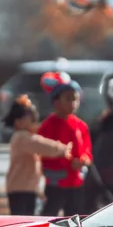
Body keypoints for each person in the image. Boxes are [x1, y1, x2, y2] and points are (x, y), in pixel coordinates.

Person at [3, 95, 72, 216]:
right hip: (21, 189)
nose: (34, 121)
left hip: (26, 188)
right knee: (23, 223)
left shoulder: (23, 137)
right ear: (18, 122)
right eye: (30, 118)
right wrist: (62, 149)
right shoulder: (22, 137)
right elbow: (42, 145)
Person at [38, 71, 92, 217]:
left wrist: (83, 160)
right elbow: (43, 153)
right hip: (57, 182)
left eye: (75, 99)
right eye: (68, 99)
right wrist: (65, 163)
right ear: (55, 101)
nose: (73, 103)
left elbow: (87, 151)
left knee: (75, 217)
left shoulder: (81, 126)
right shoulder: (47, 126)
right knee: (49, 215)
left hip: (77, 182)